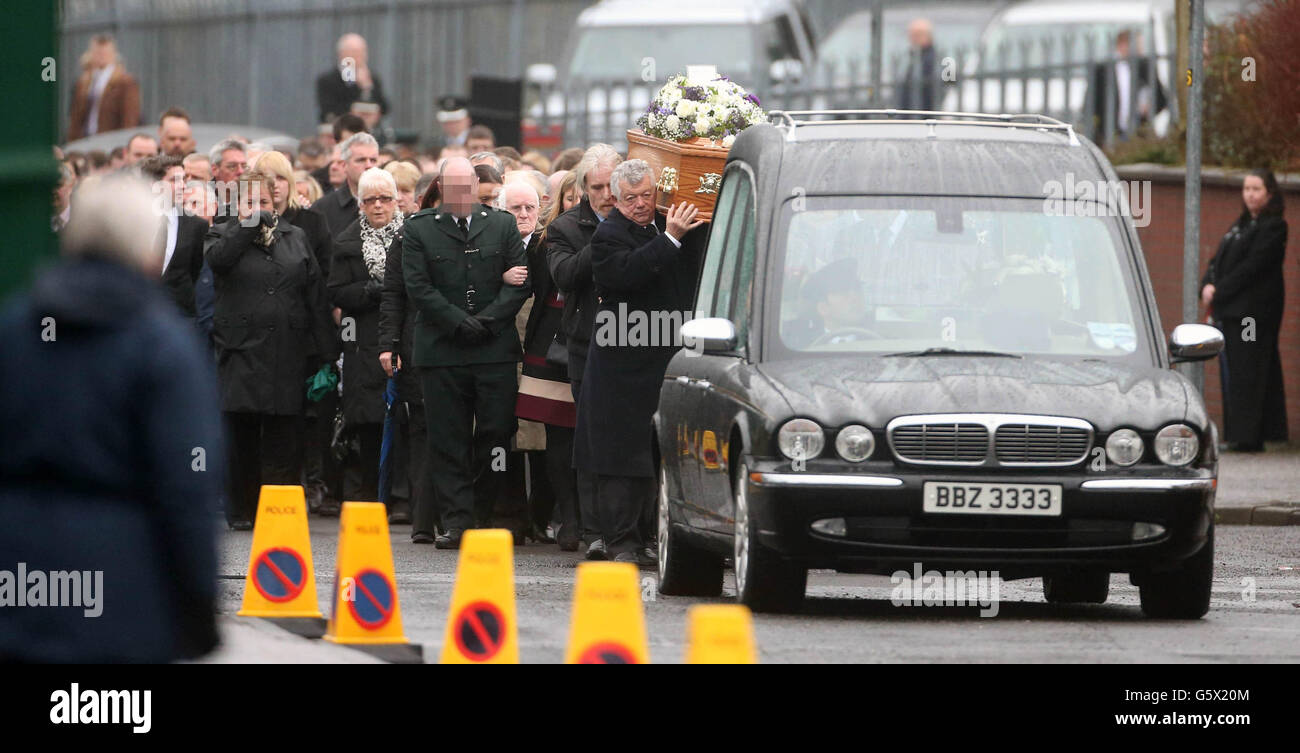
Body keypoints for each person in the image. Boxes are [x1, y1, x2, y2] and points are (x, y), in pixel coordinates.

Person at [0, 175, 221, 662]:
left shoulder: (16, 327)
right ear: (146, 249)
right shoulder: (161, 343)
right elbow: (187, 482)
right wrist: (199, 602)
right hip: (124, 579)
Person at [572, 159, 705, 566]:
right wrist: (671, 239)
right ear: (615, 198)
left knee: (651, 453)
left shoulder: (664, 224)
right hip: (620, 367)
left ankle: (646, 537)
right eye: (630, 199)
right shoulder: (610, 234)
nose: (640, 205)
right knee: (619, 456)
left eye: (647, 195)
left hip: (659, 359)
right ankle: (621, 542)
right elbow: (625, 275)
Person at [402, 157, 531, 548]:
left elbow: (520, 281)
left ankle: (482, 510)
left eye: (466, 188)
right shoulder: (420, 229)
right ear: (442, 188)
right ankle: (457, 521)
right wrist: (459, 322)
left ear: (476, 186)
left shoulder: (502, 224)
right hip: (443, 350)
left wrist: (488, 321)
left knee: (495, 435)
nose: (461, 196)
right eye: (452, 188)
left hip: (493, 351)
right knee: (448, 438)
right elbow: (419, 287)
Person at [204, 170, 336, 529]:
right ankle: (242, 510)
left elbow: (316, 297)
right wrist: (248, 223)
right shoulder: (220, 233)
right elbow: (218, 261)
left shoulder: (296, 237)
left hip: (287, 352)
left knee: (284, 435)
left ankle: (276, 508)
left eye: (263, 202)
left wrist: (328, 354)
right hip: (239, 351)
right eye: (249, 202)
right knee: (241, 436)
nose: (258, 208)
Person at [546, 143, 621, 557]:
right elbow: (566, 275)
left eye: (614, 185)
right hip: (586, 346)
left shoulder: (640, 220)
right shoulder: (566, 228)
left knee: (629, 440)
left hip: (634, 342)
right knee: (591, 439)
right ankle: (594, 532)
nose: (608, 195)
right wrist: (608, 235)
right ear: (584, 189)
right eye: (598, 187)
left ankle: (631, 532)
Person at [503, 183, 581, 550]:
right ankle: (569, 518)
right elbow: (527, 286)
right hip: (550, 340)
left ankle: (586, 518)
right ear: (559, 202)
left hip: (595, 336)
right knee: (557, 434)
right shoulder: (543, 242)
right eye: (572, 196)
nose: (577, 203)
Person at [329, 168, 405, 505]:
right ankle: (373, 495)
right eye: (370, 200)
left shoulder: (412, 235)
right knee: (370, 423)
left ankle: (404, 498)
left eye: (385, 198)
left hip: (404, 337)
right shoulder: (346, 242)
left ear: (396, 200)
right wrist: (373, 290)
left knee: (407, 419)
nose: (378, 206)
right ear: (360, 204)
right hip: (363, 342)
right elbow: (336, 291)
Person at [1200, 169, 1289, 452]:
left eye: (1256, 189)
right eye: (1246, 188)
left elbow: (1251, 268)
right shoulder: (1239, 225)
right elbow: (1218, 261)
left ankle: (1249, 436)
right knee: (1236, 369)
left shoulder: (1273, 227)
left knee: (1250, 366)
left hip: (1252, 316)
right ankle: (1239, 433)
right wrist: (1207, 284)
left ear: (1269, 193)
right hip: (1232, 313)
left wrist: (1219, 289)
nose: (1250, 194)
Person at [380, 179, 438, 539]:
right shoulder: (407, 237)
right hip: (417, 347)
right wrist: (389, 345)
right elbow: (394, 294)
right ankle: (423, 519)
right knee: (420, 430)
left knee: (450, 432)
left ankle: (450, 516)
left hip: (455, 347)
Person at [140, 155, 209, 320]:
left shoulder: (196, 225)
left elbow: (194, 271)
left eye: (183, 180)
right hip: (138, 314)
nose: (182, 186)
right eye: (174, 180)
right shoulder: (132, 220)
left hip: (180, 316)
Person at [1088, 30, 1168, 143]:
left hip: (1139, 135)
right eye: (1138, 46)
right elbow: (1091, 104)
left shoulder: (1146, 67)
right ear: (1122, 45)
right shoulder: (1102, 70)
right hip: (1108, 135)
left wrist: (1149, 108)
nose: (1141, 51)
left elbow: (1162, 99)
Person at [67, 34, 141, 140]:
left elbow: (130, 118)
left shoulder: (125, 82)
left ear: (113, 54)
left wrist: (125, 141)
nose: (101, 56)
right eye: (98, 53)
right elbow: (75, 118)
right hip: (85, 139)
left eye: (105, 53)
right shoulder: (84, 81)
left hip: (109, 140)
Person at [313, 132, 380, 237]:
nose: (368, 165)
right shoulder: (322, 209)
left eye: (373, 160)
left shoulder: (392, 204)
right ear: (345, 165)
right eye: (361, 160)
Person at [317, 33, 390, 124]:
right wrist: (356, 86)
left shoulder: (373, 78)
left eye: (362, 52)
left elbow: (385, 108)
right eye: (354, 52)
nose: (359, 57)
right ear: (342, 54)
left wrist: (367, 87)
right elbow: (329, 111)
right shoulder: (328, 80)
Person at [896, 18, 937, 112]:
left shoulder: (934, 61)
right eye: (911, 35)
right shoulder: (913, 58)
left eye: (918, 35)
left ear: (929, 36)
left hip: (925, 112)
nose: (913, 39)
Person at [209, 138, 248, 219]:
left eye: (244, 166)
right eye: (232, 166)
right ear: (215, 170)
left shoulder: (255, 201)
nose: (240, 171)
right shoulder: (203, 202)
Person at [51, 161, 75, 233]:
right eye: (47, 188)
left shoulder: (81, 219)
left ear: (70, 186)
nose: (53, 191)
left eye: (58, 185)